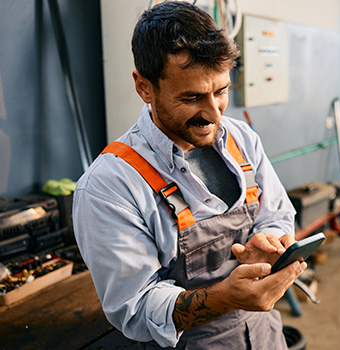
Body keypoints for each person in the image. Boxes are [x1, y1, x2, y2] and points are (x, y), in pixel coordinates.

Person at [72, 1, 305, 348]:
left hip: (264, 334)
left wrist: (269, 242)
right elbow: (134, 309)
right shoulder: (110, 185)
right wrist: (226, 296)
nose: (213, 113)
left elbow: (277, 213)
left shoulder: (241, 138)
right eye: (193, 96)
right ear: (144, 87)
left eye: (221, 91)